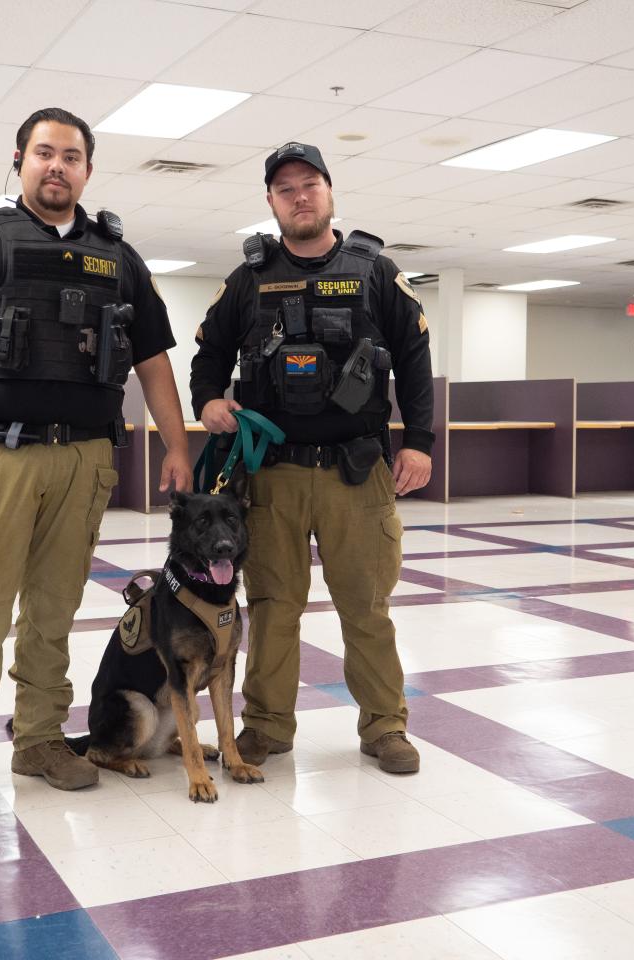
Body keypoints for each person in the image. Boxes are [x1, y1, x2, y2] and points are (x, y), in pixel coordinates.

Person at [0, 106, 192, 822]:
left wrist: (178, 445)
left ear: (88, 170)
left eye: (71, 156)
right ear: (20, 160)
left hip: (86, 460)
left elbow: (153, 361)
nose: (56, 166)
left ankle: (37, 740)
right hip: (0, 456)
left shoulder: (119, 257)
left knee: (53, 613)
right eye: (43, 153)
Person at [190, 142, 435, 774]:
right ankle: (267, 726)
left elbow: (414, 362)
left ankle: (385, 726)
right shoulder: (248, 280)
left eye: (310, 184)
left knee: (366, 605)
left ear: (330, 191)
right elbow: (208, 354)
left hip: (358, 472)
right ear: (270, 202)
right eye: (285, 188)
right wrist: (209, 402)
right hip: (271, 473)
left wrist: (420, 442)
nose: (300, 196)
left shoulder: (378, 273)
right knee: (274, 606)